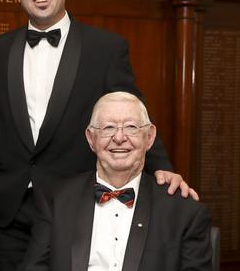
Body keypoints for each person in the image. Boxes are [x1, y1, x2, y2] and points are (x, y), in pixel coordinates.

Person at [0, 0, 198, 270]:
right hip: (9, 209)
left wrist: (161, 166)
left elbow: (133, 112)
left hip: (72, 207)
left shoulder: (105, 48)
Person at [21, 92, 212, 270]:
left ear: (150, 137)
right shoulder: (57, 200)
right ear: (91, 138)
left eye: (131, 127)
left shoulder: (184, 212)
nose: (119, 138)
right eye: (108, 127)